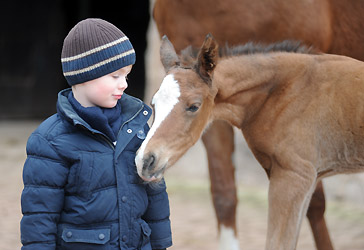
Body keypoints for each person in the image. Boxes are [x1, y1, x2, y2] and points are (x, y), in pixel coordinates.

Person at [20, 18, 172, 250]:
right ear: (84, 75)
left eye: (127, 75)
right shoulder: (49, 141)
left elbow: (155, 195)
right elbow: (39, 217)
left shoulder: (138, 128)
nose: (124, 84)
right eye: (115, 76)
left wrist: (160, 245)